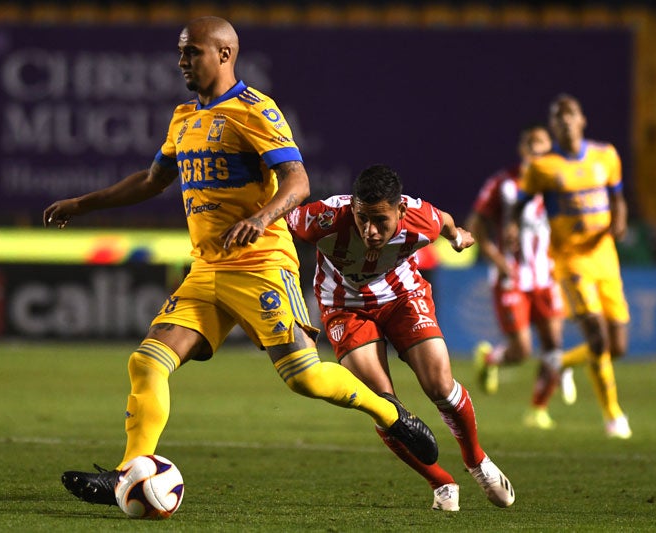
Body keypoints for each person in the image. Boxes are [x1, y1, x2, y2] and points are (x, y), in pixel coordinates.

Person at [44, 16, 438, 508]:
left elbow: (297, 181)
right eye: (181, 52)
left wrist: (262, 216)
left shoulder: (255, 111)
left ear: (225, 55)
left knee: (305, 378)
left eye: (193, 52)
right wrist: (83, 205)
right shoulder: (184, 116)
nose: (183, 61)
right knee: (146, 362)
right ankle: (129, 472)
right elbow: (151, 181)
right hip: (207, 270)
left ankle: (392, 415)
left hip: (262, 265)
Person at [287, 164, 516, 512]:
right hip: (344, 307)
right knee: (384, 405)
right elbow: (280, 220)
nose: (371, 230)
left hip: (402, 296)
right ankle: (440, 482)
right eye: (363, 218)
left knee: (440, 385)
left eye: (381, 220)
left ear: (401, 211)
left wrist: (457, 238)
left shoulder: (420, 218)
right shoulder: (325, 218)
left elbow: (446, 221)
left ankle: (476, 460)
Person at [511, 94, 632, 439]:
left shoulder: (605, 155)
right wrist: (511, 228)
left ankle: (561, 363)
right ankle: (614, 417)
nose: (565, 121)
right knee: (596, 335)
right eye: (558, 117)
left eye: (570, 115)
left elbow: (619, 199)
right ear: (553, 126)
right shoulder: (542, 167)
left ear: (582, 120)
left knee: (617, 346)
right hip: (570, 260)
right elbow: (521, 205)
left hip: (605, 257)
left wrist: (620, 221)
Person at [466, 124, 576, 430]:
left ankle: (538, 409)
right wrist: (497, 259)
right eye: (533, 145)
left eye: (543, 145)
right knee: (522, 351)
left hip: (546, 277)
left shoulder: (557, 183)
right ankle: (491, 359)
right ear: (523, 149)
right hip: (512, 277)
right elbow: (476, 222)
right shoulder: (504, 183)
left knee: (554, 343)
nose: (538, 151)